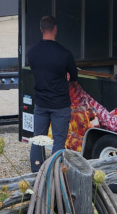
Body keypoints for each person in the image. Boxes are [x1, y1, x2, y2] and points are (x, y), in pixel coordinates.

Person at [26, 15, 78, 172]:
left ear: (41, 29)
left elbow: (37, 70)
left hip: (41, 103)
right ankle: (55, 175)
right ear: (56, 29)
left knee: (38, 139)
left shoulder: (32, 51)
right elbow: (74, 77)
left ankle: (37, 173)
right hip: (60, 105)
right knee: (58, 142)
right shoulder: (65, 53)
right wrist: (66, 74)